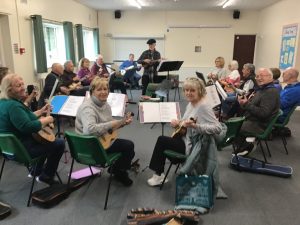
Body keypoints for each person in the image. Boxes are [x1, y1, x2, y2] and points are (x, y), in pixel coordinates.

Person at [147, 77, 222, 187]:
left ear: (199, 91)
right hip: (185, 137)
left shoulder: (203, 106)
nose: (188, 93)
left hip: (193, 145)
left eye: (192, 90)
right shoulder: (191, 103)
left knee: (162, 141)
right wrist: (178, 123)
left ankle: (159, 174)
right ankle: (159, 173)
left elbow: (217, 128)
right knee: (163, 141)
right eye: (186, 90)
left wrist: (196, 126)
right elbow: (186, 122)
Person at [0, 74, 64, 185]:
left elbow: (23, 118)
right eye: (18, 85)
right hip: (22, 151)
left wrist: (41, 111)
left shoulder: (4, 103)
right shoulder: (14, 106)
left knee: (44, 140)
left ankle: (36, 171)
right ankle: (46, 176)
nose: (23, 87)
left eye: (22, 84)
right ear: (10, 89)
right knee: (58, 143)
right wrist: (47, 119)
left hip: (8, 150)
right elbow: (27, 127)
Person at [75, 77, 135, 186]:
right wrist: (112, 124)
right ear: (92, 91)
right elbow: (89, 130)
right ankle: (118, 171)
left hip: (99, 139)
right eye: (99, 89)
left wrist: (122, 123)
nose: (103, 92)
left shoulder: (105, 105)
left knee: (128, 150)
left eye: (105, 89)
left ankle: (117, 169)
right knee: (128, 147)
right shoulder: (88, 108)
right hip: (90, 145)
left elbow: (108, 127)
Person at [234, 68, 280, 156]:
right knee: (234, 122)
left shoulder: (270, 92)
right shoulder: (263, 89)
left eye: (262, 76)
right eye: (257, 76)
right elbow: (252, 106)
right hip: (253, 119)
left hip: (260, 125)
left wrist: (247, 104)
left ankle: (246, 146)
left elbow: (263, 113)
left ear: (270, 77)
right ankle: (244, 144)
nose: (258, 78)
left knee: (234, 126)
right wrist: (243, 103)